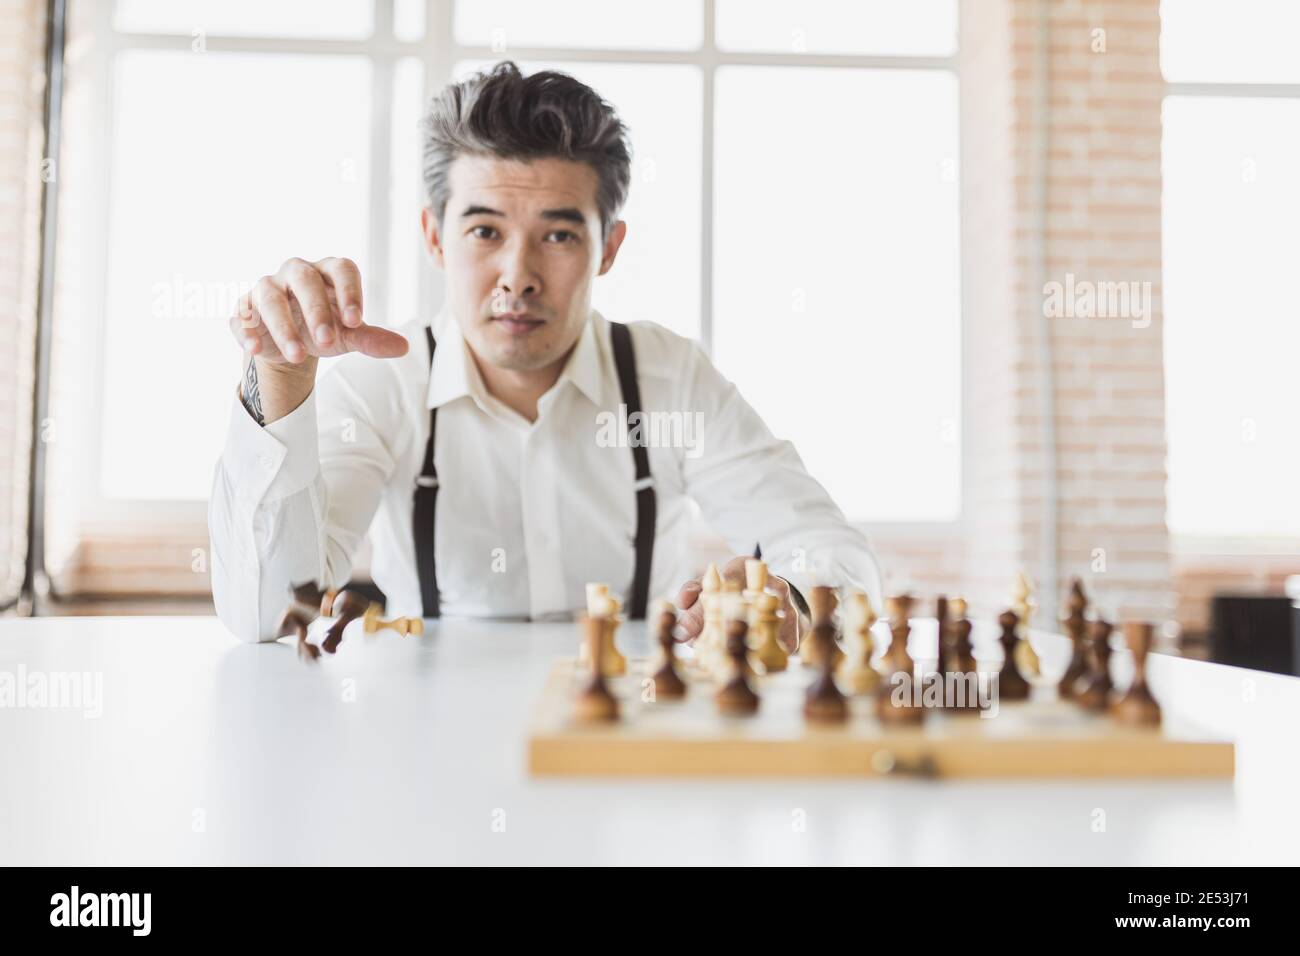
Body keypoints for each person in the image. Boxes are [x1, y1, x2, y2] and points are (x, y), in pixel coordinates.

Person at [209, 60, 881, 651]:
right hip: (422, 753)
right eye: (484, 231)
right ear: (435, 238)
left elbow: (832, 551)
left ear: (609, 248)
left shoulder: (670, 379)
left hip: (628, 747)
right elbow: (270, 616)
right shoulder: (383, 386)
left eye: (558, 235)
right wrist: (282, 376)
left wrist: (787, 599)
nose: (517, 275)